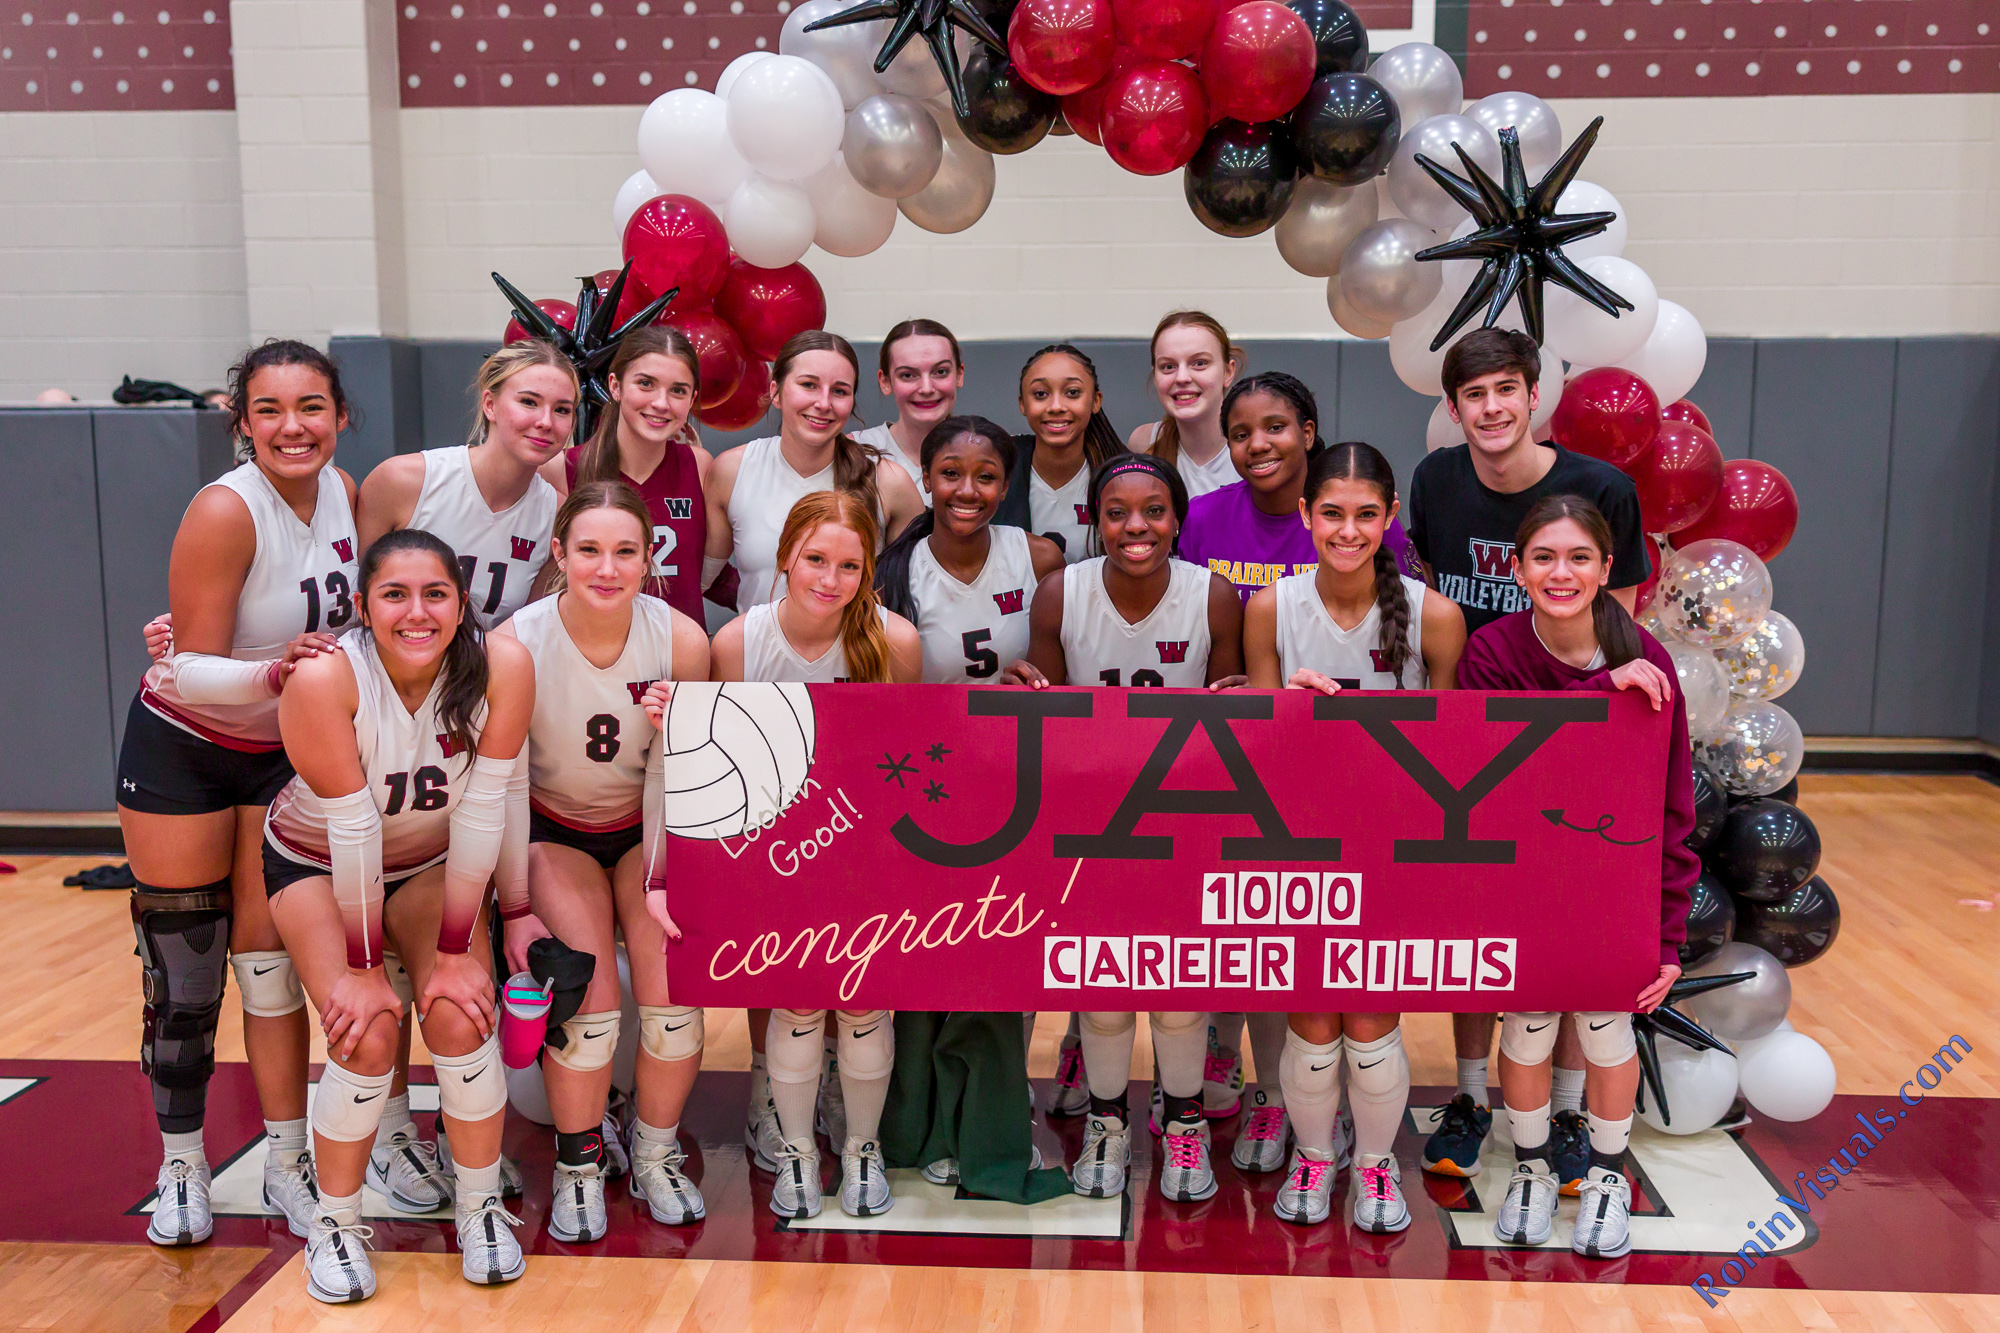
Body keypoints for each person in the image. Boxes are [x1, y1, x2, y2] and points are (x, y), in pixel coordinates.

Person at [117, 340, 358, 1248]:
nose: (292, 426)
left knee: (272, 966)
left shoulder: (346, 493)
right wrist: (272, 670)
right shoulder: (226, 509)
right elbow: (183, 671)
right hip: (186, 747)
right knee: (184, 970)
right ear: (243, 421)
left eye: (310, 408)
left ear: (339, 416)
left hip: (281, 751)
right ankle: (181, 1161)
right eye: (269, 409)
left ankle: (286, 1160)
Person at [263, 529, 535, 1301]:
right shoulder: (325, 678)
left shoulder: (502, 666)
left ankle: (481, 1208)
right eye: (394, 594)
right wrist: (360, 967)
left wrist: (455, 949)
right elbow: (351, 828)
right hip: (315, 861)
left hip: (425, 860)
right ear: (362, 605)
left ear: (462, 603)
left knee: (458, 1010)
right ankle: (338, 1223)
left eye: (435, 594)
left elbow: (486, 808)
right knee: (368, 1030)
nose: (416, 613)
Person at [1407, 328, 1651, 1186]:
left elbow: (1619, 630)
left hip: (1583, 744)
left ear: (1535, 394)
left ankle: (1575, 1109)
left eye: (1506, 388)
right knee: (1485, 937)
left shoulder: (1599, 488)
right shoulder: (1437, 480)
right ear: (1454, 408)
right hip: (1478, 737)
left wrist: (1607, 708)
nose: (1492, 408)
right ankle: (1474, 1095)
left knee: (1578, 941)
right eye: (1474, 394)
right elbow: (1433, 602)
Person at [1002, 454, 1245, 1204]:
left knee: (1178, 986)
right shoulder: (1059, 592)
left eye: (1153, 510)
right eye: (1116, 511)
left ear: (1177, 518)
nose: (1135, 526)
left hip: (1188, 815)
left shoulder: (1214, 596)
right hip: (1090, 818)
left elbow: (1233, 710)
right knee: (1103, 982)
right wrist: (1018, 685)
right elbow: (1039, 715)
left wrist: (1241, 697)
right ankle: (1108, 1121)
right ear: (1095, 519)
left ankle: (1184, 1122)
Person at [1463, 495, 1694, 1258]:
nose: (1561, 573)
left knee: (1605, 1025)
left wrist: (1667, 936)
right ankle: (1529, 1170)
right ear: (1518, 565)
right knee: (1527, 1026)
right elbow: (1498, 763)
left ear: (1605, 567)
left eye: (1579, 558)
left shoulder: (1650, 660)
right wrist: (1601, 692)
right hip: (1520, 880)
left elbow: (1672, 810)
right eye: (1544, 557)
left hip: (1610, 887)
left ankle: (1603, 1175)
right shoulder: (1492, 650)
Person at [1243, 443, 1466, 1230]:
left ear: (1390, 517)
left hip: (1393, 843)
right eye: (1330, 513)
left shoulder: (1435, 614)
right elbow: (1256, 753)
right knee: (1310, 1018)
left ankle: (1374, 1165)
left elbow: (1449, 758)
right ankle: (1313, 1152)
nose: (1347, 529)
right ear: (1304, 515)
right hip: (1297, 838)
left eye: (1365, 514)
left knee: (1371, 1018)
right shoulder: (1270, 606)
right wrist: (1292, 708)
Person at [491, 481, 713, 1240]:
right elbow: (506, 777)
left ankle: (653, 1154)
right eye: (588, 549)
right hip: (554, 829)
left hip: (645, 827)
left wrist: (655, 879)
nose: (607, 567)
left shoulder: (681, 637)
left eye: (626, 551)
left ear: (651, 558)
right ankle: (579, 1164)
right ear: (558, 553)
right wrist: (514, 899)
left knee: (674, 1001)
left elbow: (674, 773)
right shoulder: (516, 642)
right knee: (589, 1007)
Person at [710, 490, 922, 1218]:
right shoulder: (739, 641)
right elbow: (723, 768)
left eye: (849, 565)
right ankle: (798, 1152)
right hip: (771, 850)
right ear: (785, 559)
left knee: (864, 1002)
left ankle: (862, 1147)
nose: (829, 579)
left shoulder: (893, 642)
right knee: (797, 1002)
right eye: (815, 560)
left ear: (870, 573)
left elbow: (901, 765)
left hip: (861, 847)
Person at [704, 331, 925, 612]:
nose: (823, 403)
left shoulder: (888, 481)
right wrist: (757, 611)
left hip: (856, 655)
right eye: (809, 385)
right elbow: (702, 578)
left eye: (839, 391)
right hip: (760, 654)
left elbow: (920, 593)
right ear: (775, 392)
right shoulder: (732, 470)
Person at [357, 341, 573, 628]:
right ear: (490, 405)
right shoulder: (403, 481)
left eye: (561, 410)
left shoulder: (557, 514)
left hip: (489, 667)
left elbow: (529, 630)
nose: (546, 422)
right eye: (529, 402)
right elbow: (358, 604)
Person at [1180, 372, 1420, 605]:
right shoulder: (1201, 517)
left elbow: (1414, 610)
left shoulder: (1360, 517)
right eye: (1241, 435)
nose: (1258, 445)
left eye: (1275, 427)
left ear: (1307, 434)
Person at [546, 327, 717, 625]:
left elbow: (710, 573)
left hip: (680, 657)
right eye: (646, 384)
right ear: (615, 386)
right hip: (591, 654)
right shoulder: (562, 469)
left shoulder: (700, 466)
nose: (661, 403)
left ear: (692, 400)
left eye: (678, 390)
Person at [875, 415, 1065, 683]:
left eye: (986, 477)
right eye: (951, 473)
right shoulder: (893, 575)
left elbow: (1061, 678)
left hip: (1019, 724)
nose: (967, 491)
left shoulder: (1040, 559)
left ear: (1004, 487)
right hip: (932, 725)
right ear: (927, 478)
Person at [995, 343, 1127, 564]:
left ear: (1095, 401)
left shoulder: (1123, 476)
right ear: (1022, 404)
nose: (1056, 406)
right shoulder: (998, 469)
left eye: (1072, 393)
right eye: (1040, 394)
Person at [1126, 310, 1242, 498]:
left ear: (1228, 372)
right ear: (1155, 377)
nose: (1182, 378)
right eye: (1168, 366)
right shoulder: (1144, 443)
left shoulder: (1254, 447)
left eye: (1199, 363)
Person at [850, 318, 965, 502]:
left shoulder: (985, 452)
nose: (926, 388)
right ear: (885, 382)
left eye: (940, 372)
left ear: (959, 375)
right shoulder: (855, 452)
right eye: (908, 375)